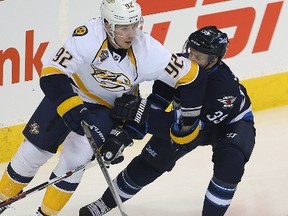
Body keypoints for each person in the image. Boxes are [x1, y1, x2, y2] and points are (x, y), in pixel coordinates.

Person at [0, 0, 206, 215]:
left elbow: (193, 77)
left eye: (135, 25)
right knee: (30, 155)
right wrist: (70, 106)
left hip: (106, 109)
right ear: (107, 25)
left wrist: (188, 123)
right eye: (123, 28)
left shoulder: (149, 51)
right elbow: (52, 74)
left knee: (74, 161)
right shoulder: (87, 36)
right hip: (71, 93)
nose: (131, 34)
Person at [79, 26, 256, 216]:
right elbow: (157, 103)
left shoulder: (223, 87)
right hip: (188, 123)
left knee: (231, 163)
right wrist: (125, 134)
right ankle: (105, 203)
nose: (191, 60)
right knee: (150, 161)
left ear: (213, 60)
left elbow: (187, 128)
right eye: (191, 52)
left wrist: (142, 116)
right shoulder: (178, 67)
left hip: (230, 124)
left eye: (199, 57)